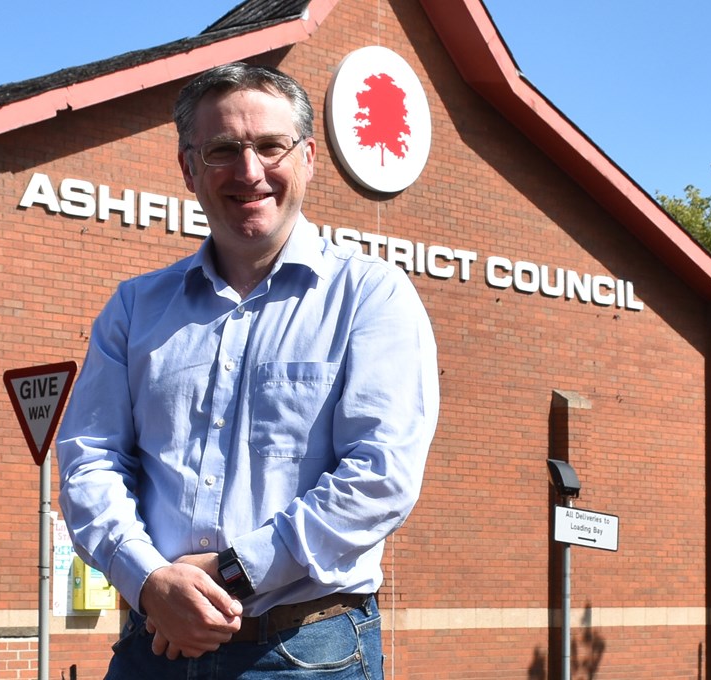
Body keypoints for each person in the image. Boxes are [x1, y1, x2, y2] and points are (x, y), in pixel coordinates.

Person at [56, 62, 439, 679]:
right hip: (151, 646)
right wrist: (150, 581)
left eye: (269, 146)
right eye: (223, 150)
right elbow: (88, 459)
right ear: (188, 168)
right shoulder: (134, 308)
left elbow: (381, 474)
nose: (249, 171)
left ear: (309, 157)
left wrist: (231, 571)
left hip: (304, 654)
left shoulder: (371, 296)